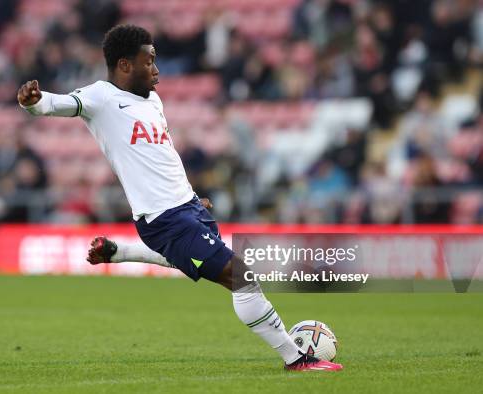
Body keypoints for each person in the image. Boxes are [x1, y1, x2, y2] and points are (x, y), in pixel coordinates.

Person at [17, 24, 342, 372]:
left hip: (186, 207)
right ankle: (295, 359)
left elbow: (163, 156)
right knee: (241, 276)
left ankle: (119, 251)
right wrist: (35, 102)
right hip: (163, 218)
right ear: (125, 66)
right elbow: (60, 103)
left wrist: (190, 198)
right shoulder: (101, 97)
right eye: (150, 61)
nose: (157, 70)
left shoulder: (154, 101)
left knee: (191, 260)